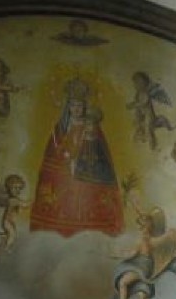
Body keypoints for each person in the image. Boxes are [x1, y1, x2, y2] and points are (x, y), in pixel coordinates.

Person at [30, 77, 124, 237]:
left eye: (79, 105)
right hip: (64, 169)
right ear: (68, 106)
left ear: (84, 106)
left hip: (87, 170)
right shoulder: (61, 126)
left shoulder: (91, 126)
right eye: (73, 105)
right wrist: (63, 155)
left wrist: (84, 157)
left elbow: (99, 151)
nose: (76, 109)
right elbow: (53, 149)